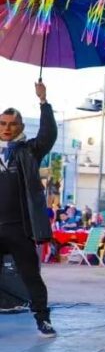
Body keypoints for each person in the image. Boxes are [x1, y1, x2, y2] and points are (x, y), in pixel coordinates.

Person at [0, 82, 57, 336]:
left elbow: (48, 135)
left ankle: (43, 319)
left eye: (12, 124)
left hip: (19, 228)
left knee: (31, 276)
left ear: (21, 127)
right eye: (2, 124)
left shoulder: (29, 151)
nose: (7, 128)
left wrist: (43, 102)